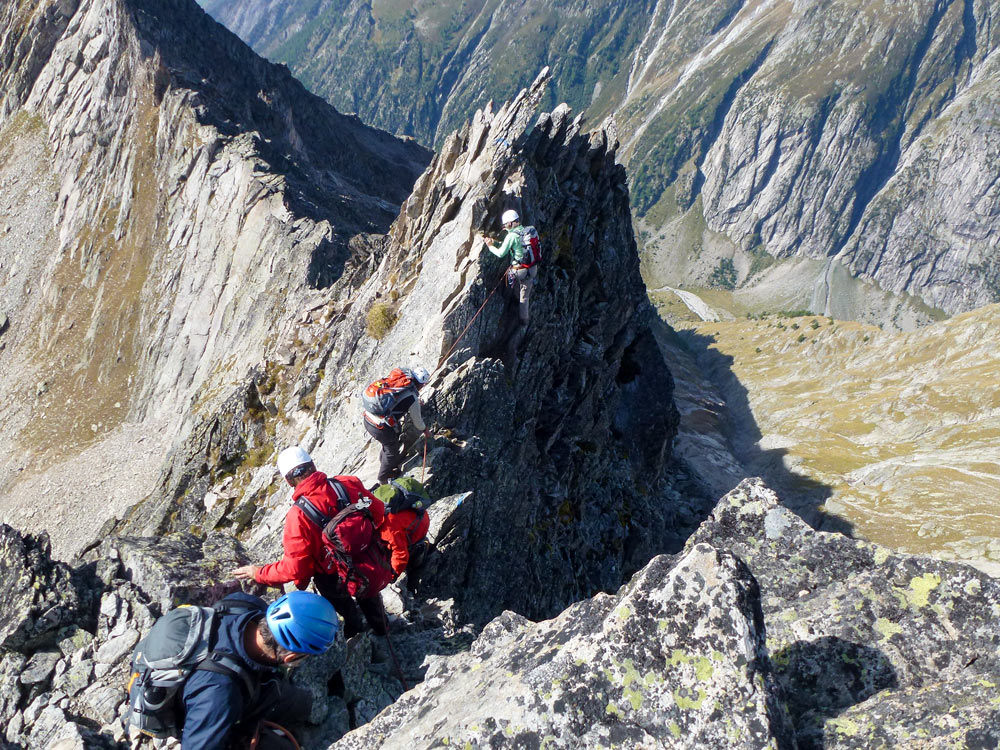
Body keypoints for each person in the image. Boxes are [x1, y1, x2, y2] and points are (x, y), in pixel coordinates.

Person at [127, 590, 337, 750]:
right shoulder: (219, 695)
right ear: (290, 657)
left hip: (220, 684)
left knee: (299, 701)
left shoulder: (245, 604)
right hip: (205, 706)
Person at [232, 447, 388, 638]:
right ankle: (383, 629)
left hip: (332, 576)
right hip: (366, 557)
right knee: (370, 594)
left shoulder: (298, 517)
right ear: (313, 465)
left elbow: (295, 569)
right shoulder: (347, 483)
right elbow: (378, 510)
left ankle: (357, 635)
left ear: (288, 481)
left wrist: (258, 573)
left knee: (344, 608)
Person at [479, 209, 541, 363]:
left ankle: (514, 309)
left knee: (512, 288)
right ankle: (523, 318)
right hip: (532, 269)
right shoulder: (527, 231)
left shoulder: (511, 236)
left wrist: (489, 246)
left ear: (511, 223)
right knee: (525, 296)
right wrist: (498, 242)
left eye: (506, 224)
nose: (505, 227)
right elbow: (515, 246)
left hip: (518, 271)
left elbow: (501, 253)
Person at [362, 365, 431, 485]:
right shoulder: (412, 397)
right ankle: (383, 478)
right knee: (391, 450)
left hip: (368, 417)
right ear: (421, 384)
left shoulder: (399, 383)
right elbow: (418, 422)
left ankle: (387, 465)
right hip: (379, 426)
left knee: (389, 443)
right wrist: (425, 430)